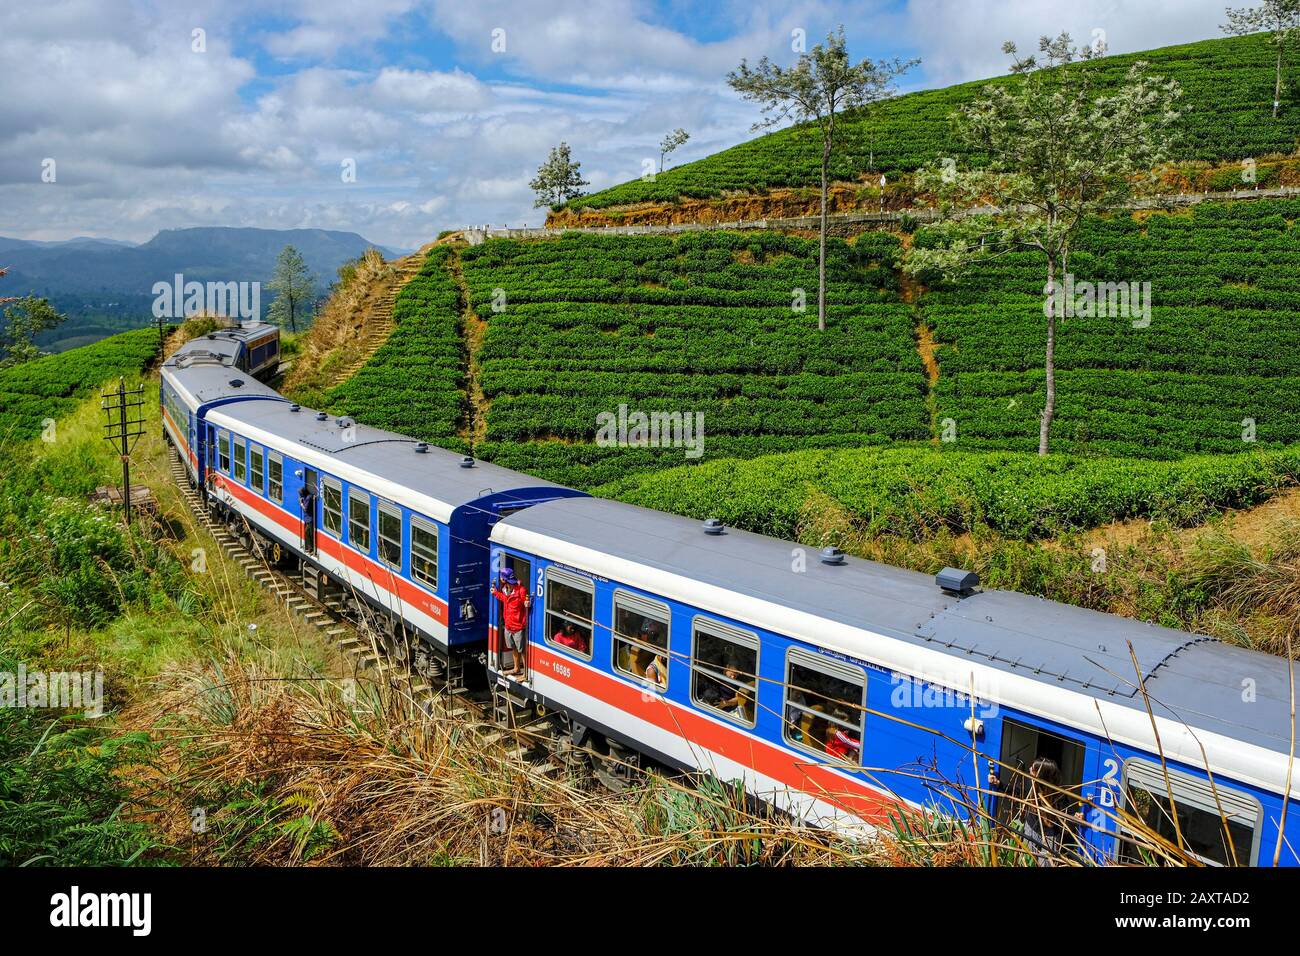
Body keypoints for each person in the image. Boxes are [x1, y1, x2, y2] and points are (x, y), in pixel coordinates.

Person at [491, 567, 531, 679]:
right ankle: (516, 668)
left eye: (501, 577)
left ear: (504, 579)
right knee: (513, 647)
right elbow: (505, 599)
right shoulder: (504, 589)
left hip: (518, 626)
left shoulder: (521, 590)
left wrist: (528, 603)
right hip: (508, 625)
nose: (499, 579)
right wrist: (495, 593)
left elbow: (527, 603)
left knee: (522, 650)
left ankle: (526, 673)